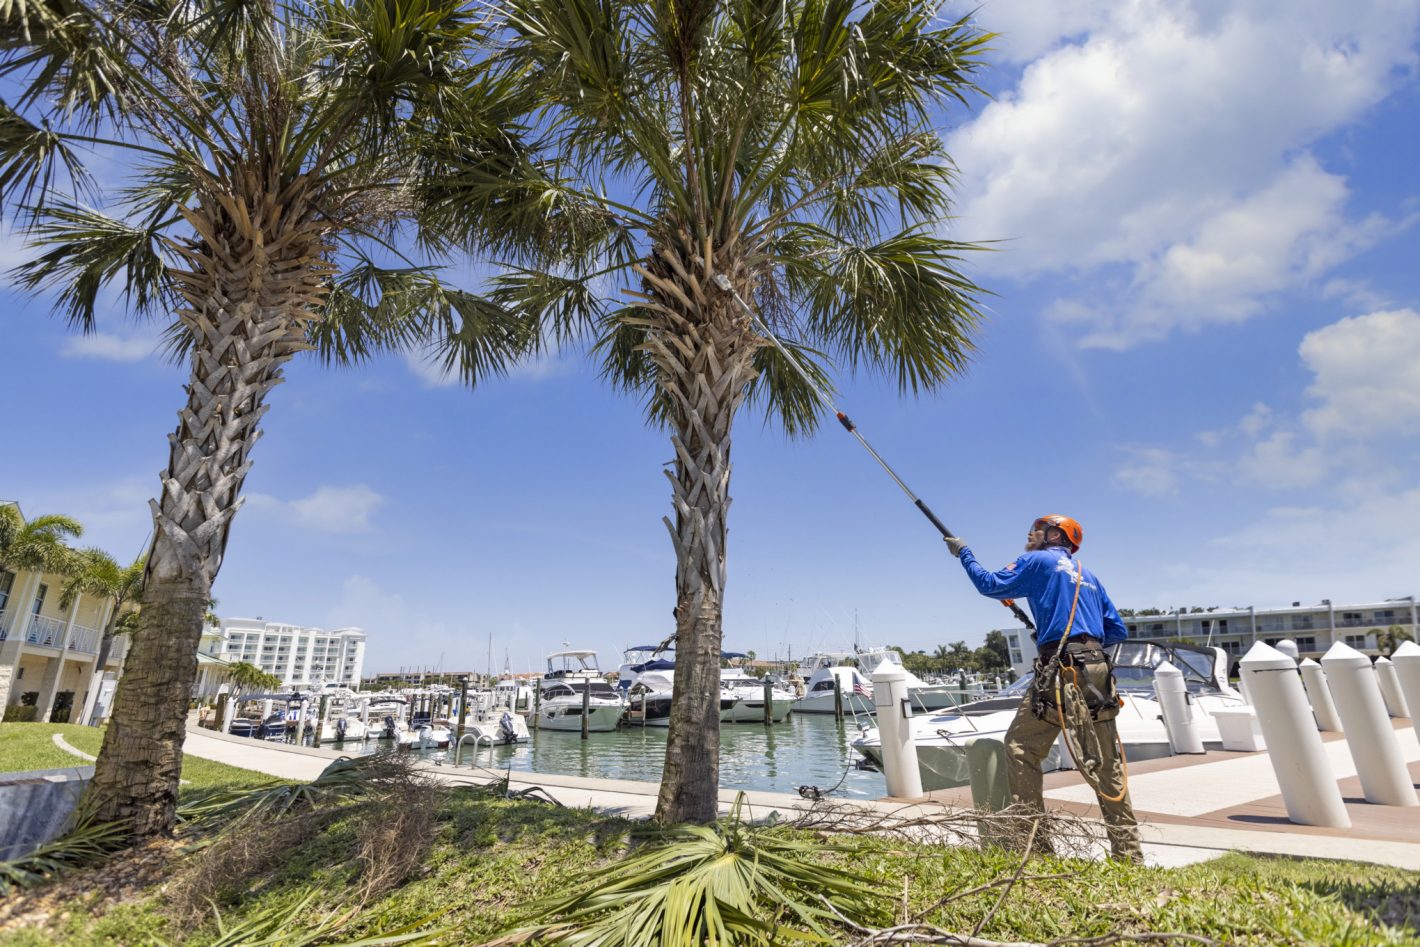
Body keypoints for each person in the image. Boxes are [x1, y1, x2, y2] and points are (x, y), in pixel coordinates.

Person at [944, 514, 1143, 863]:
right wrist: (1068, 636)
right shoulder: (1088, 575)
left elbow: (990, 585)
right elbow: (1117, 631)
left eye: (1035, 529)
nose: (1029, 534)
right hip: (1097, 668)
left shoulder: (1038, 560)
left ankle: (1035, 848)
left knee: (1021, 748)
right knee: (1108, 766)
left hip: (1063, 669)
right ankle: (1129, 856)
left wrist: (964, 553)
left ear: (1054, 535)